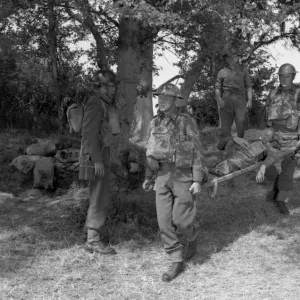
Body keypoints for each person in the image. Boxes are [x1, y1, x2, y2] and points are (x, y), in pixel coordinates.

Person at [142, 83, 206, 282]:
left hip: (183, 175)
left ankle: (192, 235)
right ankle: (176, 260)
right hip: (162, 175)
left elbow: (197, 151)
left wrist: (197, 179)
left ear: (175, 101)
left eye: (165, 98)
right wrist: (149, 177)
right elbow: (150, 152)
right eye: (159, 97)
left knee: (181, 220)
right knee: (164, 222)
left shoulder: (186, 122)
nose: (160, 101)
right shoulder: (154, 123)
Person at [79, 69, 118, 254]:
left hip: (102, 154)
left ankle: (92, 231)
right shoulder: (95, 102)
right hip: (97, 157)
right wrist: (97, 161)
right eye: (111, 86)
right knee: (99, 196)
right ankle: (93, 239)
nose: (113, 90)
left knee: (99, 194)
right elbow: (88, 134)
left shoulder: (103, 102)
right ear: (102, 87)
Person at [255, 63, 300, 215]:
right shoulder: (273, 93)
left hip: (292, 137)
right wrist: (261, 135)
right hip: (273, 135)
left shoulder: (298, 93)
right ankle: (276, 186)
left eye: (287, 76)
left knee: (288, 169)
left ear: (293, 76)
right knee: (266, 165)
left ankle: (281, 200)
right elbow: (265, 114)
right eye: (281, 76)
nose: (284, 78)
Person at [215, 47, 253, 150]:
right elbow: (217, 88)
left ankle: (245, 148)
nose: (230, 59)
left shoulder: (244, 71)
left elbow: (249, 86)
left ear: (237, 58)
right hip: (226, 99)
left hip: (241, 99)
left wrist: (249, 100)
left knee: (242, 124)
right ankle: (224, 148)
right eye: (228, 58)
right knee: (225, 126)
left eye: (232, 57)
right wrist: (219, 99)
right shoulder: (222, 72)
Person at [209, 128, 276, 177]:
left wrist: (263, 167)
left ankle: (220, 170)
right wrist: (233, 138)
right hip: (232, 150)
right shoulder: (247, 138)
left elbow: (271, 156)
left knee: (234, 161)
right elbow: (220, 146)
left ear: (270, 139)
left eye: (268, 136)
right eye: (264, 134)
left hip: (245, 156)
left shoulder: (267, 147)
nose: (265, 136)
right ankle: (212, 167)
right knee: (215, 157)